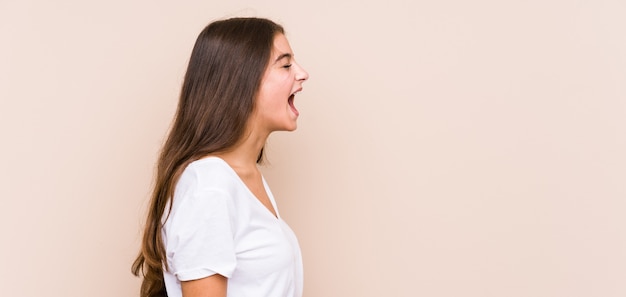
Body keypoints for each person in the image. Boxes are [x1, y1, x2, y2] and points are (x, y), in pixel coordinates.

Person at [131, 17, 309, 297]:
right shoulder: (209, 184)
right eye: (285, 65)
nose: (302, 74)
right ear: (242, 79)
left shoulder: (244, 178)